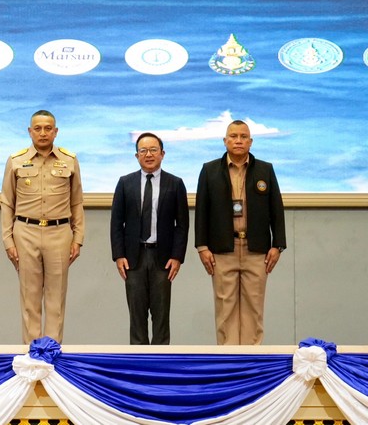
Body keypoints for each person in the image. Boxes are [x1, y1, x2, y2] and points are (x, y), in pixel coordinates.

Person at [195, 119, 286, 345]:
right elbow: (201, 210)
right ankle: (228, 361)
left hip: (256, 250)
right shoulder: (209, 170)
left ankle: (252, 361)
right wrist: (202, 246)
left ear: (251, 142)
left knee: (254, 309)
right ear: (225, 141)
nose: (238, 140)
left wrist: (278, 245)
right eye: (233, 136)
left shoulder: (265, 169)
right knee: (225, 309)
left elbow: (277, 208)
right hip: (222, 249)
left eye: (243, 137)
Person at [1, 110, 84, 344]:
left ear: (56, 132)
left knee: (56, 299)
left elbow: (77, 201)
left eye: (48, 128)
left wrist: (78, 238)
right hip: (25, 232)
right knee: (30, 298)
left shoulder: (69, 159)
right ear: (30, 131)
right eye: (37, 128)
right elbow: (7, 202)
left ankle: (51, 353)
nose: (43, 133)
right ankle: (32, 354)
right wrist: (8, 241)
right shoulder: (16, 160)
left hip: (59, 233)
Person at [110, 132, 189, 345]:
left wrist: (177, 257)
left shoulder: (175, 183)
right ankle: (138, 364)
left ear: (162, 154)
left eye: (153, 150)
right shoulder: (125, 183)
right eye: (143, 151)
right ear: (136, 156)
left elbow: (182, 225)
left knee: (161, 316)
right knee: (137, 316)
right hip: (133, 259)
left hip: (163, 259)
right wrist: (119, 255)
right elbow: (116, 223)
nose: (148, 154)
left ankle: (161, 364)